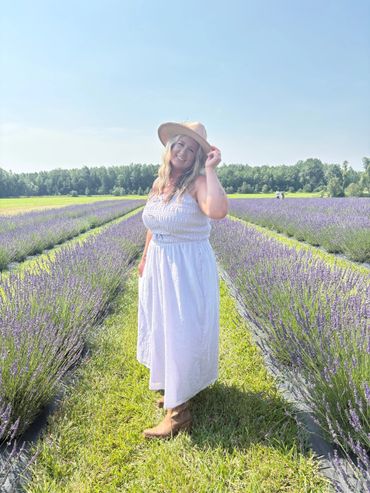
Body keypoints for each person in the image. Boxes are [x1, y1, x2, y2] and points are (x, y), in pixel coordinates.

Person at [137, 121, 228, 439]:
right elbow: (154, 222)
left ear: (199, 156)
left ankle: (179, 415)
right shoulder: (160, 182)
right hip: (160, 264)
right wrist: (145, 256)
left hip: (186, 268)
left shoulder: (199, 182)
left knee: (181, 331)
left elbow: (217, 211)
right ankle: (175, 388)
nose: (183, 152)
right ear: (169, 147)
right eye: (179, 145)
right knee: (162, 328)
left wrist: (212, 170)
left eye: (192, 149)